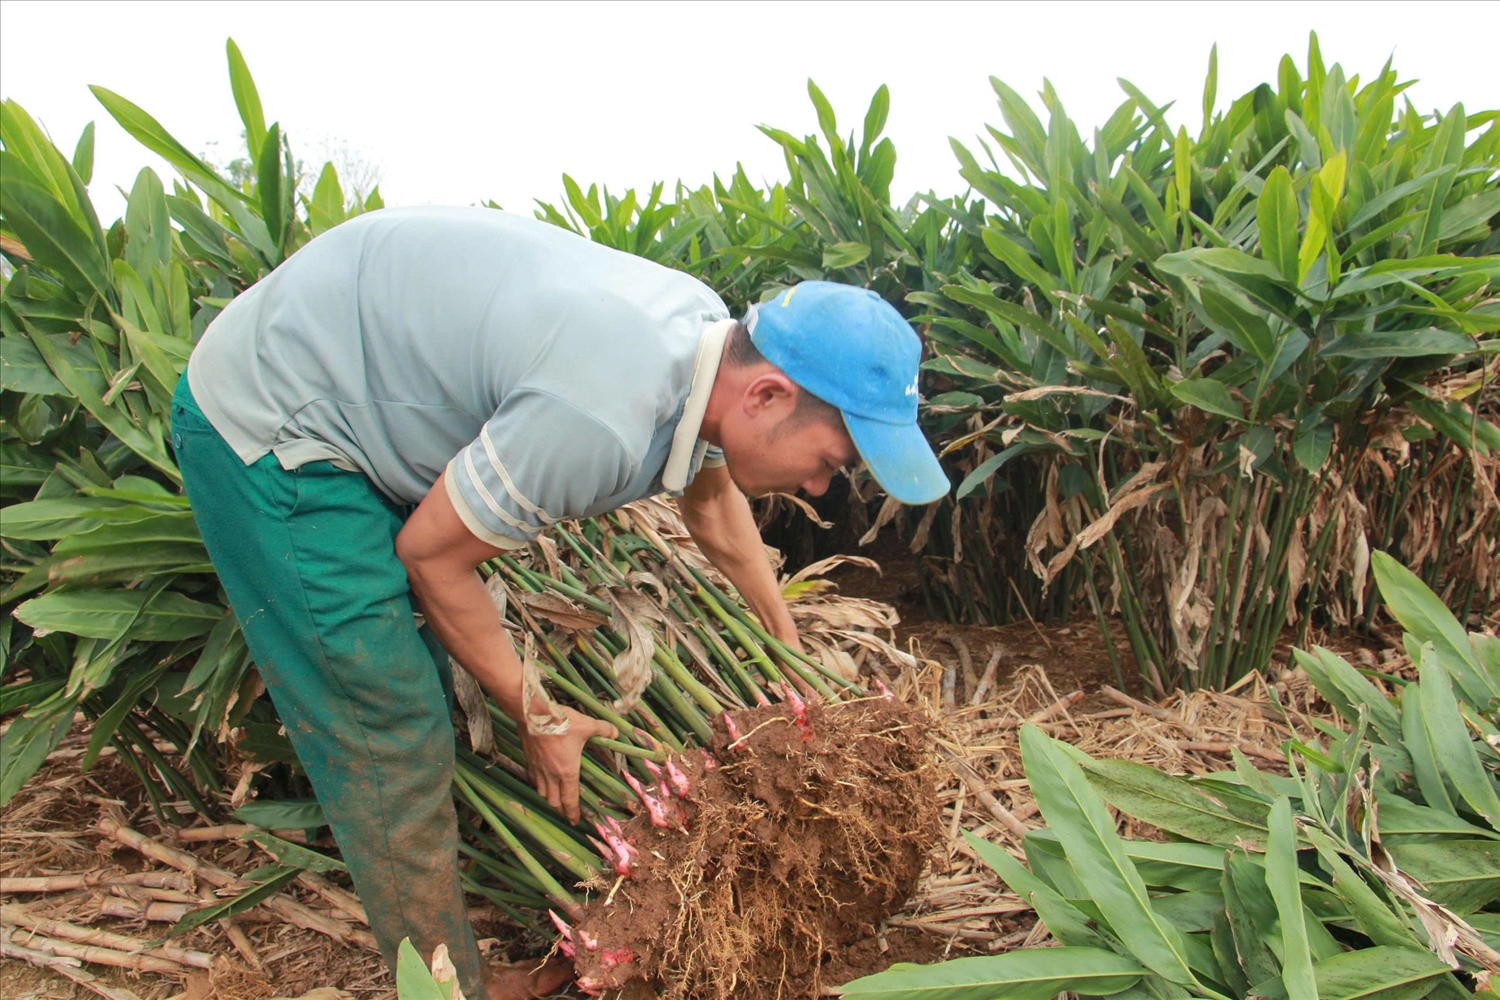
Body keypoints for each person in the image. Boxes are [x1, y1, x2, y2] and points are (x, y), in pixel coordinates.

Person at [170, 206, 949, 998]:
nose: (821, 487)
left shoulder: (710, 349)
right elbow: (431, 559)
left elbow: (713, 509)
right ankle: (444, 989)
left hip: (367, 381)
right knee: (389, 717)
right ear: (769, 396)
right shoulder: (602, 415)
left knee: (441, 670)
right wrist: (535, 712)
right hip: (281, 422)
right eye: (828, 461)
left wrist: (793, 660)